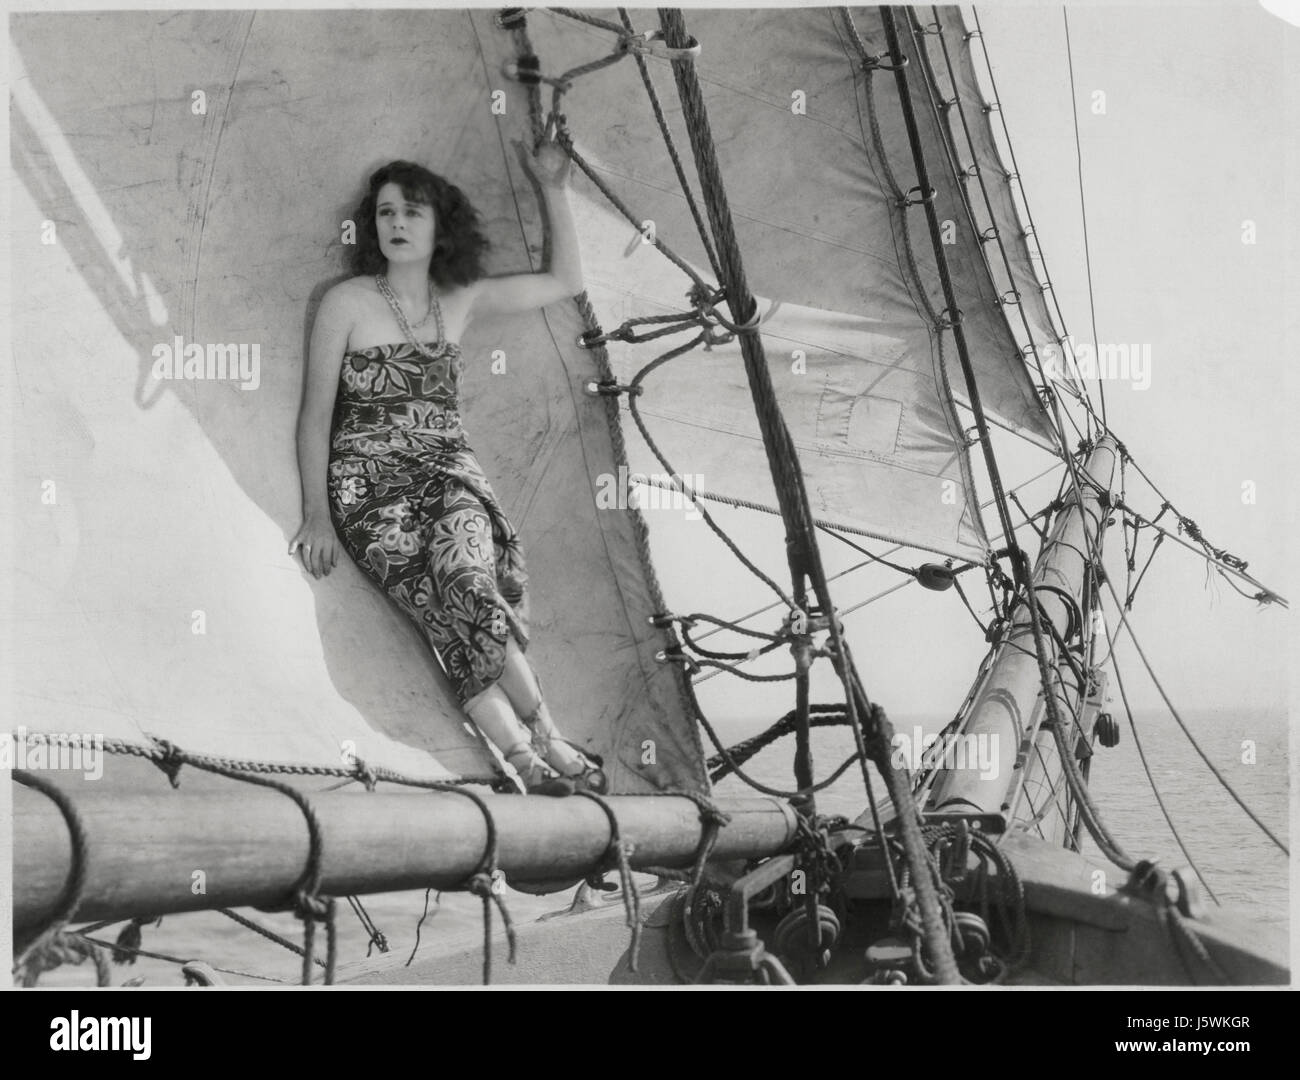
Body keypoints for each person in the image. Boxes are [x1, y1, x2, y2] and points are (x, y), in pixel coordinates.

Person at [290, 141, 604, 797]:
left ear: (440, 226)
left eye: (412, 212)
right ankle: (524, 762)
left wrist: (552, 187)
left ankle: (546, 736)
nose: (397, 224)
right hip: (368, 492)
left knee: (466, 580)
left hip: (447, 475)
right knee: (443, 615)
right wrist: (318, 516)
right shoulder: (346, 302)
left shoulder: (459, 298)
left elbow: (565, 281)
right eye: (384, 214)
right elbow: (317, 415)